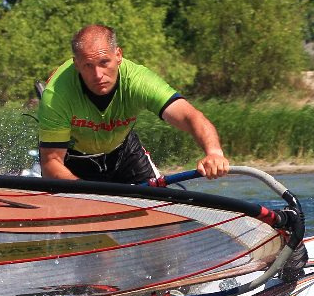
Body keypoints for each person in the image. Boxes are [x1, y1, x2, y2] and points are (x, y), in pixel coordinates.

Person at [37, 24, 230, 184]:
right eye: (88, 66)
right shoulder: (56, 94)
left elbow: (191, 116)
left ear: (118, 55)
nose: (98, 75)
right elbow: (51, 163)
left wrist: (213, 152)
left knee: (163, 215)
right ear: (76, 64)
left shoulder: (138, 80)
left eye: (104, 62)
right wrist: (93, 197)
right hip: (74, 160)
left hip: (124, 153)